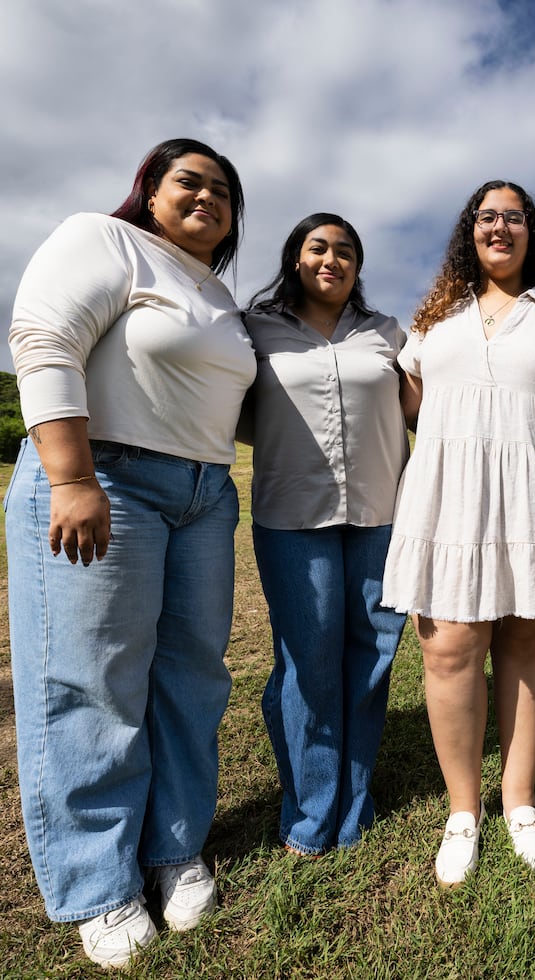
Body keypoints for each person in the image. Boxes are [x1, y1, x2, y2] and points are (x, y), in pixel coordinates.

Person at [6, 138, 255, 968]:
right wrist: (73, 477)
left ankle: (173, 847)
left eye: (223, 191)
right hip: (105, 477)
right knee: (92, 680)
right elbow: (45, 338)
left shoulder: (219, 297)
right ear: (150, 191)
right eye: (189, 181)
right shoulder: (105, 239)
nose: (207, 196)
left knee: (191, 675)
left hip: (203, 495)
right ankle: (99, 885)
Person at [381, 179, 535, 886]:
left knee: (522, 642)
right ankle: (463, 810)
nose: (499, 227)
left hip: (534, 496)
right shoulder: (437, 316)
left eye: (513, 216)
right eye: (487, 217)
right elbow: (403, 404)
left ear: (531, 231)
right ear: (470, 230)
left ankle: (519, 801)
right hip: (447, 495)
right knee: (448, 647)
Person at [240, 213, 408, 855]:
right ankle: (310, 812)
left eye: (345, 251)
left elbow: (419, 405)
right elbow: (235, 409)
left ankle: (354, 806)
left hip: (380, 514)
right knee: (308, 663)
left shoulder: (386, 332)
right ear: (296, 258)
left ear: (357, 266)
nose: (331, 259)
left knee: (371, 659)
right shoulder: (256, 328)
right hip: (291, 516)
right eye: (318, 247)